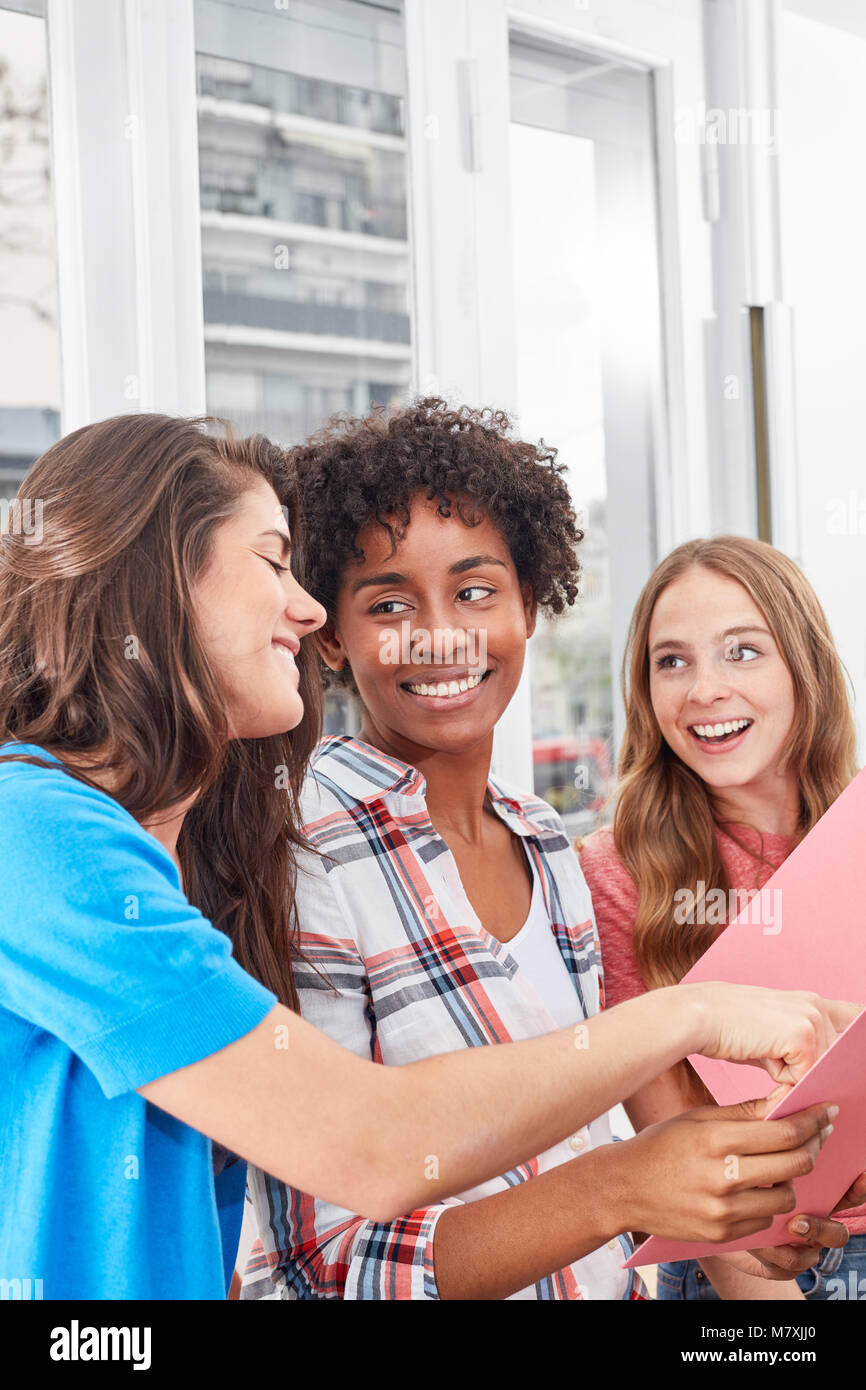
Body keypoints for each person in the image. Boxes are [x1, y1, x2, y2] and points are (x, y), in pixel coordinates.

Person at [238, 400, 856, 1300]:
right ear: (329, 633)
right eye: (388, 602)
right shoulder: (304, 853)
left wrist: (722, 1209)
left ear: (533, 604)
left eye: (477, 591)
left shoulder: (545, 848)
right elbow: (327, 1271)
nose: (440, 632)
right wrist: (628, 1185)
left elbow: (571, 1179)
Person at [579, 534, 866, 1300]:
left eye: (742, 652)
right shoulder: (620, 873)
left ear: (803, 666)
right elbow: (681, 1169)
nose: (704, 688)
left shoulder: (857, 832)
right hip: (745, 1267)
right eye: (672, 660)